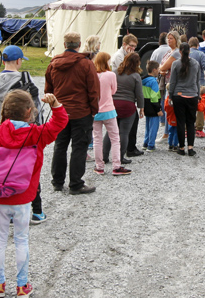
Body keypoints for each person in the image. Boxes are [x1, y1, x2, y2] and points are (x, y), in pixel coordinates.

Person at [0, 88, 68, 298]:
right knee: (21, 239)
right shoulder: (36, 134)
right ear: (30, 112)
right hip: (23, 197)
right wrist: (55, 105)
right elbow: (60, 123)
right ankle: (22, 286)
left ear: (4, 110)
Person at [0, 45, 46, 224]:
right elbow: (34, 106)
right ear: (18, 61)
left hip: (2, 131)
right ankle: (37, 210)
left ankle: (9, 211)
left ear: (3, 60)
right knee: (28, 170)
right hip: (23, 132)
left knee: (7, 171)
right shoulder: (24, 78)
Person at [44, 31, 99, 195]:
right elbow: (93, 90)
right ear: (79, 45)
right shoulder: (86, 64)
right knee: (79, 147)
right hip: (81, 111)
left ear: (64, 44)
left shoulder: (53, 63)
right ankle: (75, 183)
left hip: (60, 111)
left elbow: (48, 90)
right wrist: (94, 110)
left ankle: (58, 181)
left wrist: (54, 106)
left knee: (60, 146)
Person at [91, 52, 129, 176]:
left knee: (97, 139)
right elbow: (114, 90)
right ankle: (116, 166)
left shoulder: (92, 75)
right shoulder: (111, 75)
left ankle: (99, 166)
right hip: (108, 110)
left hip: (95, 111)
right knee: (115, 138)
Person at [105, 51, 143, 170]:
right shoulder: (135, 76)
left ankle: (104, 156)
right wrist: (141, 107)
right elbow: (139, 95)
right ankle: (120, 157)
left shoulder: (115, 73)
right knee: (124, 133)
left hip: (113, 104)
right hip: (128, 105)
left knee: (110, 132)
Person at [168, 43, 201, 156]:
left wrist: (170, 96)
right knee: (191, 123)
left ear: (180, 52)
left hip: (179, 96)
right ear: (189, 51)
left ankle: (181, 148)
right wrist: (198, 95)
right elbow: (197, 81)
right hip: (192, 95)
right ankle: (190, 148)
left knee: (180, 122)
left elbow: (172, 82)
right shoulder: (196, 64)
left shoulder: (175, 64)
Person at [141, 60, 161, 151]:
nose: (159, 71)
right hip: (153, 107)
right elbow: (154, 97)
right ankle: (151, 145)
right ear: (154, 70)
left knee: (148, 126)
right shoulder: (154, 82)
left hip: (146, 105)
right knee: (154, 127)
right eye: (158, 69)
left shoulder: (143, 80)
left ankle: (145, 143)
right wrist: (158, 109)